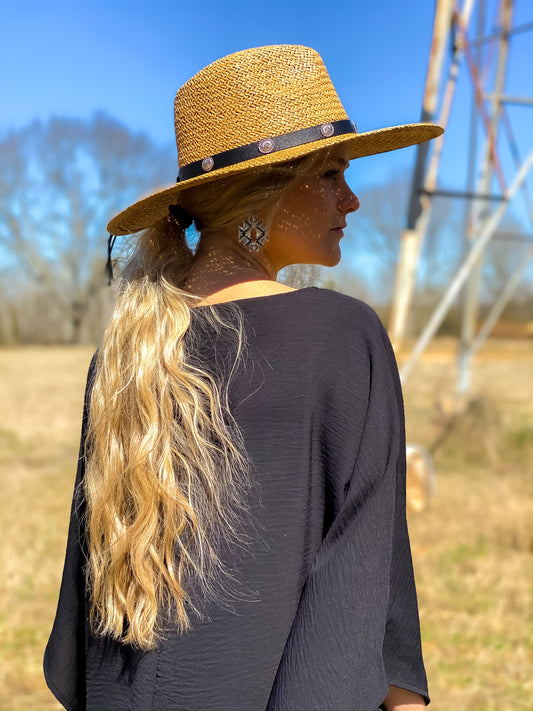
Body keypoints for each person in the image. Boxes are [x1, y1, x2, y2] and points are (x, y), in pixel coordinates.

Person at [44, 44, 443, 711]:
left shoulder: (126, 352)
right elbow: (364, 576)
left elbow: (81, 614)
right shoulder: (340, 336)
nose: (351, 200)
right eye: (330, 174)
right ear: (263, 191)